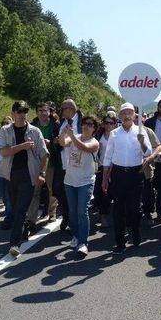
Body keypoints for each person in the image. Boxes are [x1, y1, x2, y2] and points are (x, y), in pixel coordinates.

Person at [0, 101, 49, 257]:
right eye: (19, 111)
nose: (22, 114)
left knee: (19, 210)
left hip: (29, 175)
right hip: (11, 174)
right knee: (15, 208)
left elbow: (45, 154)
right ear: (13, 113)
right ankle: (24, 226)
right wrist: (23, 146)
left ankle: (14, 244)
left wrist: (42, 173)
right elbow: (4, 152)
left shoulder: (35, 131)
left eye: (25, 111)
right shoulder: (5, 130)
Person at [102, 103, 152, 254]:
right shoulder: (114, 133)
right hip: (118, 174)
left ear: (134, 115)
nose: (127, 115)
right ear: (119, 115)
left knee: (134, 209)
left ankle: (135, 233)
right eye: (124, 112)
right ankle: (120, 243)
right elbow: (108, 157)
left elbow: (148, 152)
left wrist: (142, 141)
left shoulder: (141, 131)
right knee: (118, 210)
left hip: (135, 174)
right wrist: (105, 178)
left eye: (129, 112)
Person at [59, 115, 100, 257]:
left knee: (82, 211)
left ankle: (83, 243)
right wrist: (64, 132)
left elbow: (82, 147)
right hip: (70, 180)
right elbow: (63, 143)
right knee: (72, 212)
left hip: (86, 181)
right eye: (84, 123)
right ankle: (76, 236)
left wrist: (71, 136)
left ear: (94, 128)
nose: (86, 126)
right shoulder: (75, 136)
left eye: (90, 124)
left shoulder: (95, 142)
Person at [27, 102, 60, 225]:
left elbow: (59, 142)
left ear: (49, 112)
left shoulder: (56, 126)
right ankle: (31, 219)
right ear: (36, 112)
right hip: (35, 163)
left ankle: (52, 213)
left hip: (51, 162)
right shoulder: (32, 125)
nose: (42, 113)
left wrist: (50, 143)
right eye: (40, 110)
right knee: (35, 191)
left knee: (52, 189)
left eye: (45, 110)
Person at [53, 99, 83, 231]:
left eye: (63, 109)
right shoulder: (61, 124)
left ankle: (74, 221)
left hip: (80, 164)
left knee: (76, 194)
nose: (61, 111)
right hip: (63, 163)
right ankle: (67, 215)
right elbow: (56, 143)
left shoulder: (83, 122)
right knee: (58, 190)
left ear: (70, 109)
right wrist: (55, 142)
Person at [144, 98, 161, 220]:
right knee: (149, 187)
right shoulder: (149, 122)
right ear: (158, 107)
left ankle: (160, 211)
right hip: (150, 159)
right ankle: (148, 211)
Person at [136, 109, 161, 224]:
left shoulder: (148, 131)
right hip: (129, 171)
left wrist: (151, 157)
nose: (136, 121)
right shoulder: (123, 132)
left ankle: (147, 214)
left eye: (138, 119)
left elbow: (158, 146)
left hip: (146, 170)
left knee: (148, 194)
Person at [94, 112, 117, 228]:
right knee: (99, 192)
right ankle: (101, 212)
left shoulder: (117, 136)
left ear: (115, 124)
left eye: (111, 123)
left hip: (115, 168)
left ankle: (104, 216)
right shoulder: (98, 135)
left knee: (109, 193)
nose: (108, 125)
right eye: (106, 123)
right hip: (101, 167)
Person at [0, 116, 14, 229]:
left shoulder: (13, 137)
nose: (6, 125)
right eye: (4, 123)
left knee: (8, 194)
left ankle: (9, 217)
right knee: (2, 193)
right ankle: (8, 211)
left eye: (8, 123)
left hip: (11, 169)